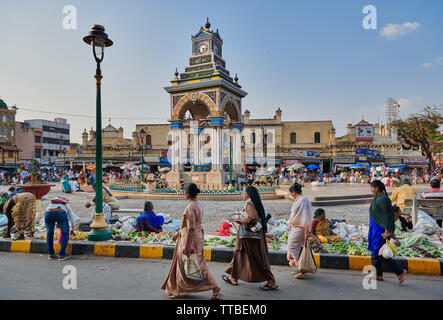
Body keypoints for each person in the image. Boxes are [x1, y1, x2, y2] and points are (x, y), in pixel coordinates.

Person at [161, 183, 223, 300]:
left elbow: (191, 227)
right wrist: (178, 233)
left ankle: (214, 286)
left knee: (193, 264)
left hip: (191, 239)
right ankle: (179, 289)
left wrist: (186, 245)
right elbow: (189, 225)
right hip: (197, 236)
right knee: (194, 263)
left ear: (187, 194)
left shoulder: (190, 207)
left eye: (185, 192)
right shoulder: (197, 204)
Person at [223, 186, 278, 290]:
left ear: (247, 194)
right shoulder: (255, 202)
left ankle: (271, 281)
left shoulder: (249, 203)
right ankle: (233, 277)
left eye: (243, 192)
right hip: (251, 237)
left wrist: (241, 221)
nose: (242, 194)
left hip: (249, 237)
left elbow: (252, 218)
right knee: (239, 255)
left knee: (258, 258)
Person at [368, 180, 407, 284]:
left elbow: (388, 216)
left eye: (372, 188)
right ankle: (379, 275)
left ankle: (400, 271)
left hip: (381, 230)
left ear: (376, 188)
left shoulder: (384, 199)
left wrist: (387, 230)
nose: (371, 190)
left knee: (378, 253)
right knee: (377, 252)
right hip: (374, 229)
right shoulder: (378, 198)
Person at [286, 183, 312, 279]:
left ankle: (302, 270)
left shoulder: (303, 200)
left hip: (300, 227)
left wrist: (305, 229)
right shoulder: (300, 200)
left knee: (292, 247)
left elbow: (304, 216)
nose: (290, 195)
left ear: (294, 192)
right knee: (296, 250)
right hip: (296, 227)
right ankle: (301, 269)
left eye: (290, 193)